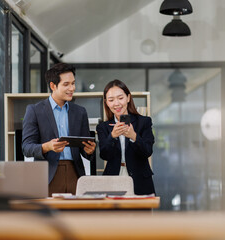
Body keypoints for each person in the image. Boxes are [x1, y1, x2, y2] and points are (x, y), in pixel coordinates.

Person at [22, 63, 96, 196]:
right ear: (53, 86)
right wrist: (48, 146)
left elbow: (85, 150)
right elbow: (26, 148)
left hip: (76, 175)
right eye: (66, 84)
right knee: (51, 215)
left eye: (73, 83)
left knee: (77, 215)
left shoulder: (80, 112)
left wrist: (89, 151)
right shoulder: (35, 110)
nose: (72, 88)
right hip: (48, 176)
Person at [96, 79, 155, 195]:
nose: (116, 103)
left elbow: (148, 151)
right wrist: (112, 136)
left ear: (128, 98)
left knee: (140, 213)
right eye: (111, 100)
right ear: (106, 103)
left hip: (140, 179)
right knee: (115, 213)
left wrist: (134, 136)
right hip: (113, 178)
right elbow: (104, 154)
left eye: (120, 98)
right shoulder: (103, 127)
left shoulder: (144, 122)